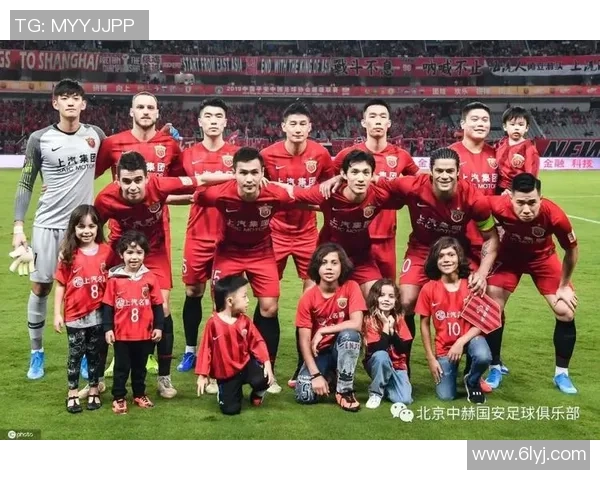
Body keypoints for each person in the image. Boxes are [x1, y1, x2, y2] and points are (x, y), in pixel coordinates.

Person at [94, 151, 232, 399]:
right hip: (121, 250)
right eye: (127, 181)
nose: (133, 187)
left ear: (147, 178)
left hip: (154, 252)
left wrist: (237, 176)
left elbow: (201, 179)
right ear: (117, 180)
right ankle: (97, 380)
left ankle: (164, 378)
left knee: (163, 308)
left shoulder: (159, 185)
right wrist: (98, 257)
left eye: (138, 180)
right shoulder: (105, 198)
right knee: (104, 306)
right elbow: (93, 228)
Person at [11, 78, 105, 380]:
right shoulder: (39, 139)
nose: (70, 102)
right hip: (47, 226)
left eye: (75, 97)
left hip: (83, 229)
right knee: (41, 287)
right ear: (55, 103)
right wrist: (18, 227)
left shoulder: (96, 135)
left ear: (83, 103)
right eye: (64, 97)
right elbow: (26, 182)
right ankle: (36, 352)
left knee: (87, 288)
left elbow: (112, 164)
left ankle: (86, 354)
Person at [376, 147, 499, 376]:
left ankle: (472, 371)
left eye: (450, 171)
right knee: (405, 301)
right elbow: (377, 182)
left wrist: (482, 273)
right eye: (439, 171)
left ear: (458, 172)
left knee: (477, 299)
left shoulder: (474, 198)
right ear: (430, 172)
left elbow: (491, 238)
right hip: (421, 249)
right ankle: (402, 368)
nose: (444, 176)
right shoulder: (412, 185)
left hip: (455, 252)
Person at [191, 147, 297, 393]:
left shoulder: (276, 194)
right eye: (243, 173)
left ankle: (267, 371)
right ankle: (218, 375)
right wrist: (224, 179)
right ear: (234, 173)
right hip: (228, 253)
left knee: (269, 307)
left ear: (263, 173)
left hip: (261, 252)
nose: (249, 178)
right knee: (222, 310)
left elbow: (303, 196)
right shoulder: (220, 194)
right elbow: (198, 193)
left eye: (254, 173)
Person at [94, 91, 184, 377]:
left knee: (160, 304)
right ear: (131, 112)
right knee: (109, 300)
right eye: (140, 107)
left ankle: (155, 364)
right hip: (120, 238)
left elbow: (179, 182)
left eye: (150, 107)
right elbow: (88, 176)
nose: (145, 111)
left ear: (157, 113)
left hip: (156, 239)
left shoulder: (170, 145)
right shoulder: (112, 143)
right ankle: (108, 363)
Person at [260, 101, 334, 388]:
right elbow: (263, 190)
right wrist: (300, 195)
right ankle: (266, 367)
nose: (298, 129)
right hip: (274, 234)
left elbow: (325, 193)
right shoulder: (268, 155)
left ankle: (305, 366)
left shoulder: (320, 154)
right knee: (268, 305)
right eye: (293, 123)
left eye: (303, 124)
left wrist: (292, 194)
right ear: (283, 127)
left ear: (310, 127)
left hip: (308, 236)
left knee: (313, 304)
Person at [485, 173, 579, 394]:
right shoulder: (496, 205)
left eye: (532, 202)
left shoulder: (555, 216)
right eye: (520, 203)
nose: (526, 209)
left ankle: (561, 374)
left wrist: (564, 285)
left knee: (565, 311)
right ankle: (495, 366)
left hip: (542, 258)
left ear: (541, 199)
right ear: (509, 198)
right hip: (509, 258)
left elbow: (572, 250)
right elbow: (473, 209)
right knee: (492, 308)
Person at [177, 98, 239, 376]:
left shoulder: (237, 155)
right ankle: (190, 350)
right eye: (208, 116)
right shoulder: (187, 155)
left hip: (228, 237)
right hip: (197, 235)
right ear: (200, 121)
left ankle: (219, 350)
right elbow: (174, 187)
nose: (213, 121)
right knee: (193, 291)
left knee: (223, 295)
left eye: (218, 116)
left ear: (226, 122)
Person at [286, 149, 402, 298]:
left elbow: (407, 194)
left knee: (376, 296)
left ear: (372, 175)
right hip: (328, 256)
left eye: (366, 173)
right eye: (354, 172)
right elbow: (291, 191)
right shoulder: (328, 192)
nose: (360, 179)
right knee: (311, 296)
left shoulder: (379, 196)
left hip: (361, 259)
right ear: (344, 174)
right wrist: (261, 183)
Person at [333, 98, 420, 281]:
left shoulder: (401, 156)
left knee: (386, 290)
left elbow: (422, 184)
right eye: (372, 116)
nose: (378, 121)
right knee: (348, 290)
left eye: (382, 116)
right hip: (352, 236)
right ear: (364, 122)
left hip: (386, 238)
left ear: (389, 123)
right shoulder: (347, 155)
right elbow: (330, 184)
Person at [415, 236, 492, 404]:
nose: (446, 260)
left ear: (459, 257)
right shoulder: (428, 288)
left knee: (483, 356)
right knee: (446, 396)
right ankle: (452, 370)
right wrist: (431, 358)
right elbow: (424, 325)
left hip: (470, 339)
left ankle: (472, 380)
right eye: (441, 256)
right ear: (435, 260)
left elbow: (480, 322)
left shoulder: (471, 285)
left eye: (451, 254)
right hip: (445, 347)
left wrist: (460, 342)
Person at [53, 205, 111, 413]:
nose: (87, 231)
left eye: (91, 226)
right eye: (81, 226)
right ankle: (72, 393)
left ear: (98, 228)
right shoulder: (68, 253)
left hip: (99, 315)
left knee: (95, 354)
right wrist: (57, 313)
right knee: (75, 355)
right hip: (75, 316)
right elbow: (60, 284)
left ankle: (94, 390)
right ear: (73, 228)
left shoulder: (107, 252)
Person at [295, 243, 365, 412]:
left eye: (334, 263)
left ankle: (344, 391)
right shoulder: (308, 297)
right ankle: (329, 375)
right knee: (305, 395)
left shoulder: (351, 287)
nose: (329, 268)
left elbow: (357, 323)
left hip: (342, 347)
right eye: (324, 262)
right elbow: (304, 341)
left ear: (342, 266)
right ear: (316, 266)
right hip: (319, 352)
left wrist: (322, 330)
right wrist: (315, 375)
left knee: (350, 336)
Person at [102, 230, 164, 415]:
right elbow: (108, 306)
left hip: (144, 334)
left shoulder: (150, 277)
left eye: (138, 252)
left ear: (145, 254)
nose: (134, 257)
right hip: (122, 335)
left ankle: (139, 394)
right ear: (121, 254)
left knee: (140, 368)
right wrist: (108, 329)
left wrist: (159, 327)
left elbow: (157, 305)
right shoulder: (115, 279)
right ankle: (119, 397)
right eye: (129, 252)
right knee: (121, 368)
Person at [195, 275, 274, 415]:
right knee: (231, 410)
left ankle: (257, 394)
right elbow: (205, 349)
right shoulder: (213, 323)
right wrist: (202, 374)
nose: (248, 300)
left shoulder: (245, 321)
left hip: (245, 365)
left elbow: (257, 342)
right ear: (230, 301)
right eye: (244, 296)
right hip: (226, 372)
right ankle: (224, 391)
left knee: (266, 378)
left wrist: (267, 363)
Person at [362, 279, 413, 409]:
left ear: (396, 300)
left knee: (404, 400)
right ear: (375, 297)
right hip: (377, 363)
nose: (386, 299)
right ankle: (375, 393)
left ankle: (385, 385)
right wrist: (385, 325)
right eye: (382, 295)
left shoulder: (399, 319)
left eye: (391, 296)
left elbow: (403, 349)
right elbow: (377, 349)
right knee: (382, 356)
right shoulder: (369, 319)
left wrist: (392, 330)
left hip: (397, 366)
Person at [495, 106, 540, 194]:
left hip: (516, 192)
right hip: (497, 190)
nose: (516, 128)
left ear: (527, 128)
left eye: (521, 124)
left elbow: (530, 177)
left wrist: (514, 192)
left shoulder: (529, 149)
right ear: (505, 126)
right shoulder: (500, 144)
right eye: (512, 124)